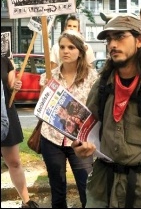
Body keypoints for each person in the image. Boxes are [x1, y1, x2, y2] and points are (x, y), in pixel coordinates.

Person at [72, 14, 141, 208]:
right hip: (102, 187)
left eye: (120, 37)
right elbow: (86, 129)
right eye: (109, 40)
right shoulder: (101, 85)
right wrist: (81, 146)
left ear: (139, 40)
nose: (113, 45)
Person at [39, 29, 98, 208]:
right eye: (63, 46)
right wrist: (46, 91)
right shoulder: (49, 76)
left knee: (86, 190)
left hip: (80, 142)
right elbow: (41, 108)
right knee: (57, 191)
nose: (66, 51)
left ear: (80, 51)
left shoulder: (93, 77)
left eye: (71, 47)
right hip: (51, 138)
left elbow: (96, 112)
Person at [1, 55, 39, 208]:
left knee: (14, 162)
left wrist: (15, 85)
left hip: (5, 114)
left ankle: (26, 202)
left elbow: (10, 85)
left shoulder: (4, 61)